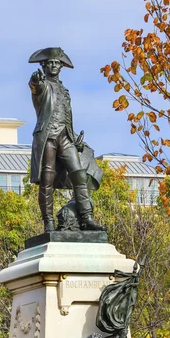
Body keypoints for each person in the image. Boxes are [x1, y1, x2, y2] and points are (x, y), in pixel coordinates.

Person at [28, 47, 105, 233]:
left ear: (60, 66)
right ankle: (48, 223)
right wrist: (34, 82)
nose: (53, 66)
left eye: (56, 63)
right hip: (48, 137)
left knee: (79, 174)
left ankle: (86, 217)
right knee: (47, 180)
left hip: (65, 137)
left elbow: (66, 116)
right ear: (44, 66)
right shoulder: (43, 85)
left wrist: (73, 136)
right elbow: (35, 87)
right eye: (50, 63)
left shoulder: (64, 90)